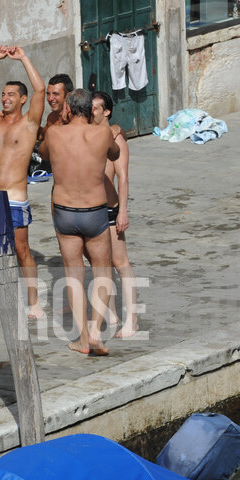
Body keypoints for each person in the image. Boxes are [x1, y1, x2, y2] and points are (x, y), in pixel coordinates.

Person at [38, 89, 120, 355]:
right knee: (103, 272)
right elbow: (115, 153)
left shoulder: (54, 133)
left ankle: (83, 339)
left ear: (69, 110)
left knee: (73, 274)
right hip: (95, 209)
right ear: (90, 110)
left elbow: (43, 154)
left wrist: (59, 123)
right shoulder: (103, 133)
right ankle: (96, 332)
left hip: (64, 210)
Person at [0, 45, 47, 317]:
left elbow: (41, 90)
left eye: (11, 95)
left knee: (21, 249)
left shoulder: (29, 124)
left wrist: (24, 58)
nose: (5, 98)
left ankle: (34, 302)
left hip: (14, 196)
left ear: (23, 99)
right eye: (3, 94)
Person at [91, 91, 139, 338]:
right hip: (92, 210)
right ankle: (111, 313)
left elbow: (123, 179)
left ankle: (133, 319)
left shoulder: (117, 139)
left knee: (120, 262)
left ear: (106, 111)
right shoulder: (92, 134)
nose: (91, 111)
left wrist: (123, 211)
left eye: (95, 108)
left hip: (110, 210)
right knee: (99, 263)